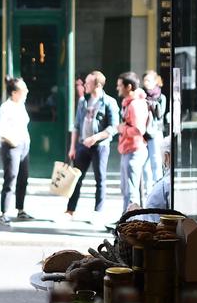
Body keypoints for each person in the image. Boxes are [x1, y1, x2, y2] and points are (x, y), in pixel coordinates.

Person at [66, 70, 120, 219]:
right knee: (76, 178)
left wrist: (95, 138)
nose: (84, 85)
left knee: (100, 180)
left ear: (97, 85)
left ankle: (98, 212)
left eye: (88, 83)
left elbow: (114, 127)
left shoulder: (109, 102)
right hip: (82, 145)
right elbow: (76, 125)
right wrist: (72, 147)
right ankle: (70, 210)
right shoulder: (83, 101)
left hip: (100, 147)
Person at [99, 71, 150, 212]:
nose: (117, 88)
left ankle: (129, 220)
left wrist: (123, 129)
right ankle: (127, 218)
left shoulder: (134, 105)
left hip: (134, 150)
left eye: (120, 85)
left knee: (130, 191)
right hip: (129, 149)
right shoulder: (129, 103)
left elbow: (139, 129)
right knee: (127, 189)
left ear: (129, 87)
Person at [0, 76, 33, 224]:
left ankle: (20, 209)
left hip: (24, 146)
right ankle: (4, 213)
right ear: (14, 93)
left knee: (23, 178)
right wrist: (9, 139)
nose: (27, 91)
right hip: (12, 147)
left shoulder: (20, 105)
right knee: (10, 178)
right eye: (24, 89)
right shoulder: (6, 107)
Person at [142, 70, 168, 188]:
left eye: (148, 80)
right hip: (143, 132)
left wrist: (151, 104)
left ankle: (158, 187)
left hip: (155, 132)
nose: (146, 82)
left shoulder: (161, 97)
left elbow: (160, 114)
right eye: (144, 80)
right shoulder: (141, 95)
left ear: (155, 81)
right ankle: (148, 189)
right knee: (145, 163)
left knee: (156, 160)